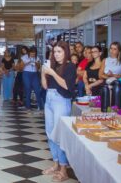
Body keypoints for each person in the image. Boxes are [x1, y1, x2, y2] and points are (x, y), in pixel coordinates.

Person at [41, 41, 76, 182]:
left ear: (65, 52)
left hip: (61, 100)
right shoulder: (52, 66)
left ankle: (64, 169)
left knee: (60, 134)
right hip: (49, 98)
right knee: (50, 133)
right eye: (54, 52)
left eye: (59, 52)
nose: (56, 54)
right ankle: (55, 164)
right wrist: (43, 73)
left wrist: (52, 73)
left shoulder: (70, 67)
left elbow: (67, 86)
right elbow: (44, 86)